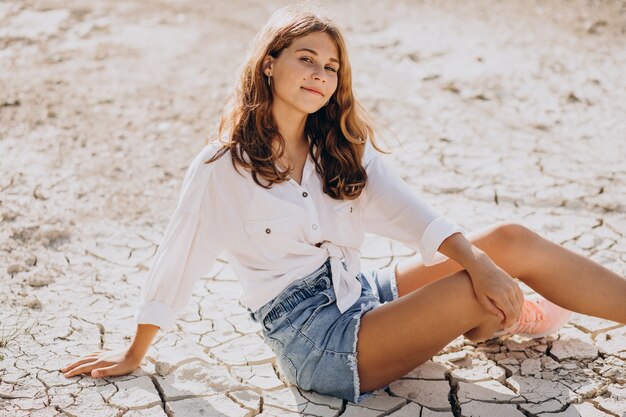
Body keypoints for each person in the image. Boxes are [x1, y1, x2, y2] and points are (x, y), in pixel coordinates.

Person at [61, 4, 626, 405]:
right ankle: (489, 311)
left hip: (359, 290)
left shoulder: (339, 148)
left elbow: (416, 215)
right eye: (306, 59)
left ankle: (490, 313)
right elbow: (176, 259)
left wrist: (483, 262)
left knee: (508, 241)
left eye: (331, 67)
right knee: (474, 285)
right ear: (269, 63)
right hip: (316, 340)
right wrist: (134, 352)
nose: (320, 75)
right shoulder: (222, 166)